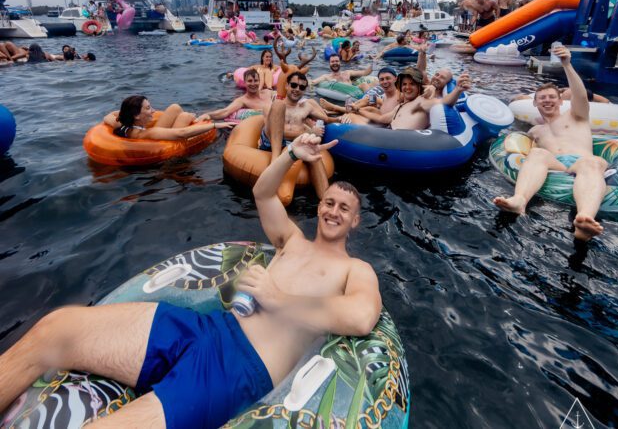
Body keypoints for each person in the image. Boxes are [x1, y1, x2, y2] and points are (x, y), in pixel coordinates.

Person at [0, 133, 381, 428]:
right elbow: (263, 192)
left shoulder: (355, 270)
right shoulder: (292, 240)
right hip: (204, 327)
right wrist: (292, 154)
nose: (333, 211)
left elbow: (362, 316)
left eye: (344, 208)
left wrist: (277, 297)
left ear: (355, 221)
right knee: (54, 329)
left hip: (241, 367)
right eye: (328, 203)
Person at [493, 45, 607, 242]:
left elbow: (580, 94)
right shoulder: (534, 131)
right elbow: (521, 152)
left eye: (552, 97)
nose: (547, 100)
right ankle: (520, 200)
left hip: (581, 161)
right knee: (537, 154)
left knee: (594, 162)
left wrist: (567, 65)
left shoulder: (576, 115)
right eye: (542, 98)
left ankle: (584, 219)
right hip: (558, 164)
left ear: (561, 101)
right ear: (535, 104)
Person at [358, 67, 470, 130]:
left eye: (412, 84)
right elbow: (382, 119)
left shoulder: (421, 102)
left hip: (399, 142)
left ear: (418, 86)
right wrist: (358, 110)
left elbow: (444, 102)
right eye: (404, 84)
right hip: (388, 132)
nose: (407, 88)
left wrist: (457, 89)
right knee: (353, 116)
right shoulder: (401, 105)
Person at [103, 96, 234, 141]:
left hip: (135, 121)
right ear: (136, 116)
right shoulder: (145, 133)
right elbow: (181, 134)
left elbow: (108, 116)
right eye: (148, 108)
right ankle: (198, 118)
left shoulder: (120, 125)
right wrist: (215, 125)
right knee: (185, 116)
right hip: (166, 145)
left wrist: (124, 112)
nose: (154, 111)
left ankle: (194, 118)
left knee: (174, 107)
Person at [323, 67, 400, 124]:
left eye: (388, 78)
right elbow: (384, 104)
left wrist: (358, 109)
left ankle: (336, 110)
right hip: (378, 115)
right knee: (369, 104)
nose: (385, 82)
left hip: (384, 125)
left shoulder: (400, 95)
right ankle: (337, 113)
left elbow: (384, 118)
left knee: (353, 115)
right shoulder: (386, 95)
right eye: (382, 79)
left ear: (396, 79)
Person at [205, 68, 273, 120]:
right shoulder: (242, 100)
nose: (253, 84)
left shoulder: (267, 92)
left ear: (259, 81)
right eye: (249, 81)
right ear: (245, 83)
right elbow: (225, 111)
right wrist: (208, 115)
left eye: (255, 81)